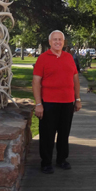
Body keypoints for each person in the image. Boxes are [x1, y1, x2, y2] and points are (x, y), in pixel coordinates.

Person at [32, 30, 82, 174]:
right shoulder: (42, 58)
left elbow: (75, 79)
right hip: (48, 102)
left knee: (64, 133)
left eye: (60, 39)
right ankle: (46, 162)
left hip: (67, 102)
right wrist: (38, 104)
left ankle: (62, 159)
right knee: (47, 134)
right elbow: (36, 82)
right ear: (49, 42)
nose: (57, 42)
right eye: (55, 39)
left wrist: (77, 99)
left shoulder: (68, 57)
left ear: (63, 42)